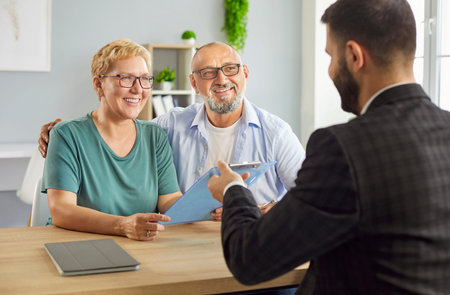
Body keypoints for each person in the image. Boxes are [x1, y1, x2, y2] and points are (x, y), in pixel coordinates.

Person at [207, 0, 450, 294]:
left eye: (331, 56)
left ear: (353, 56)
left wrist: (235, 190)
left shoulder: (343, 148)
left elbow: (249, 259)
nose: (331, 69)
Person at [39, 42, 306, 216]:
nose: (222, 79)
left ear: (245, 74)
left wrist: (264, 210)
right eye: (209, 72)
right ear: (193, 82)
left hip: (256, 240)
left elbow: (312, 199)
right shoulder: (169, 125)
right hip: (187, 243)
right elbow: (121, 126)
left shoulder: (276, 133)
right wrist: (62, 132)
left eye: (230, 69)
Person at [42, 38, 183, 241]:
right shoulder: (66, 135)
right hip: (74, 245)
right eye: (126, 78)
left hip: (139, 245)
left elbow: (169, 200)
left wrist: (209, 206)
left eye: (144, 79)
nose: (138, 89)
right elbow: (61, 210)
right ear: (99, 84)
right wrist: (123, 225)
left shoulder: (155, 136)